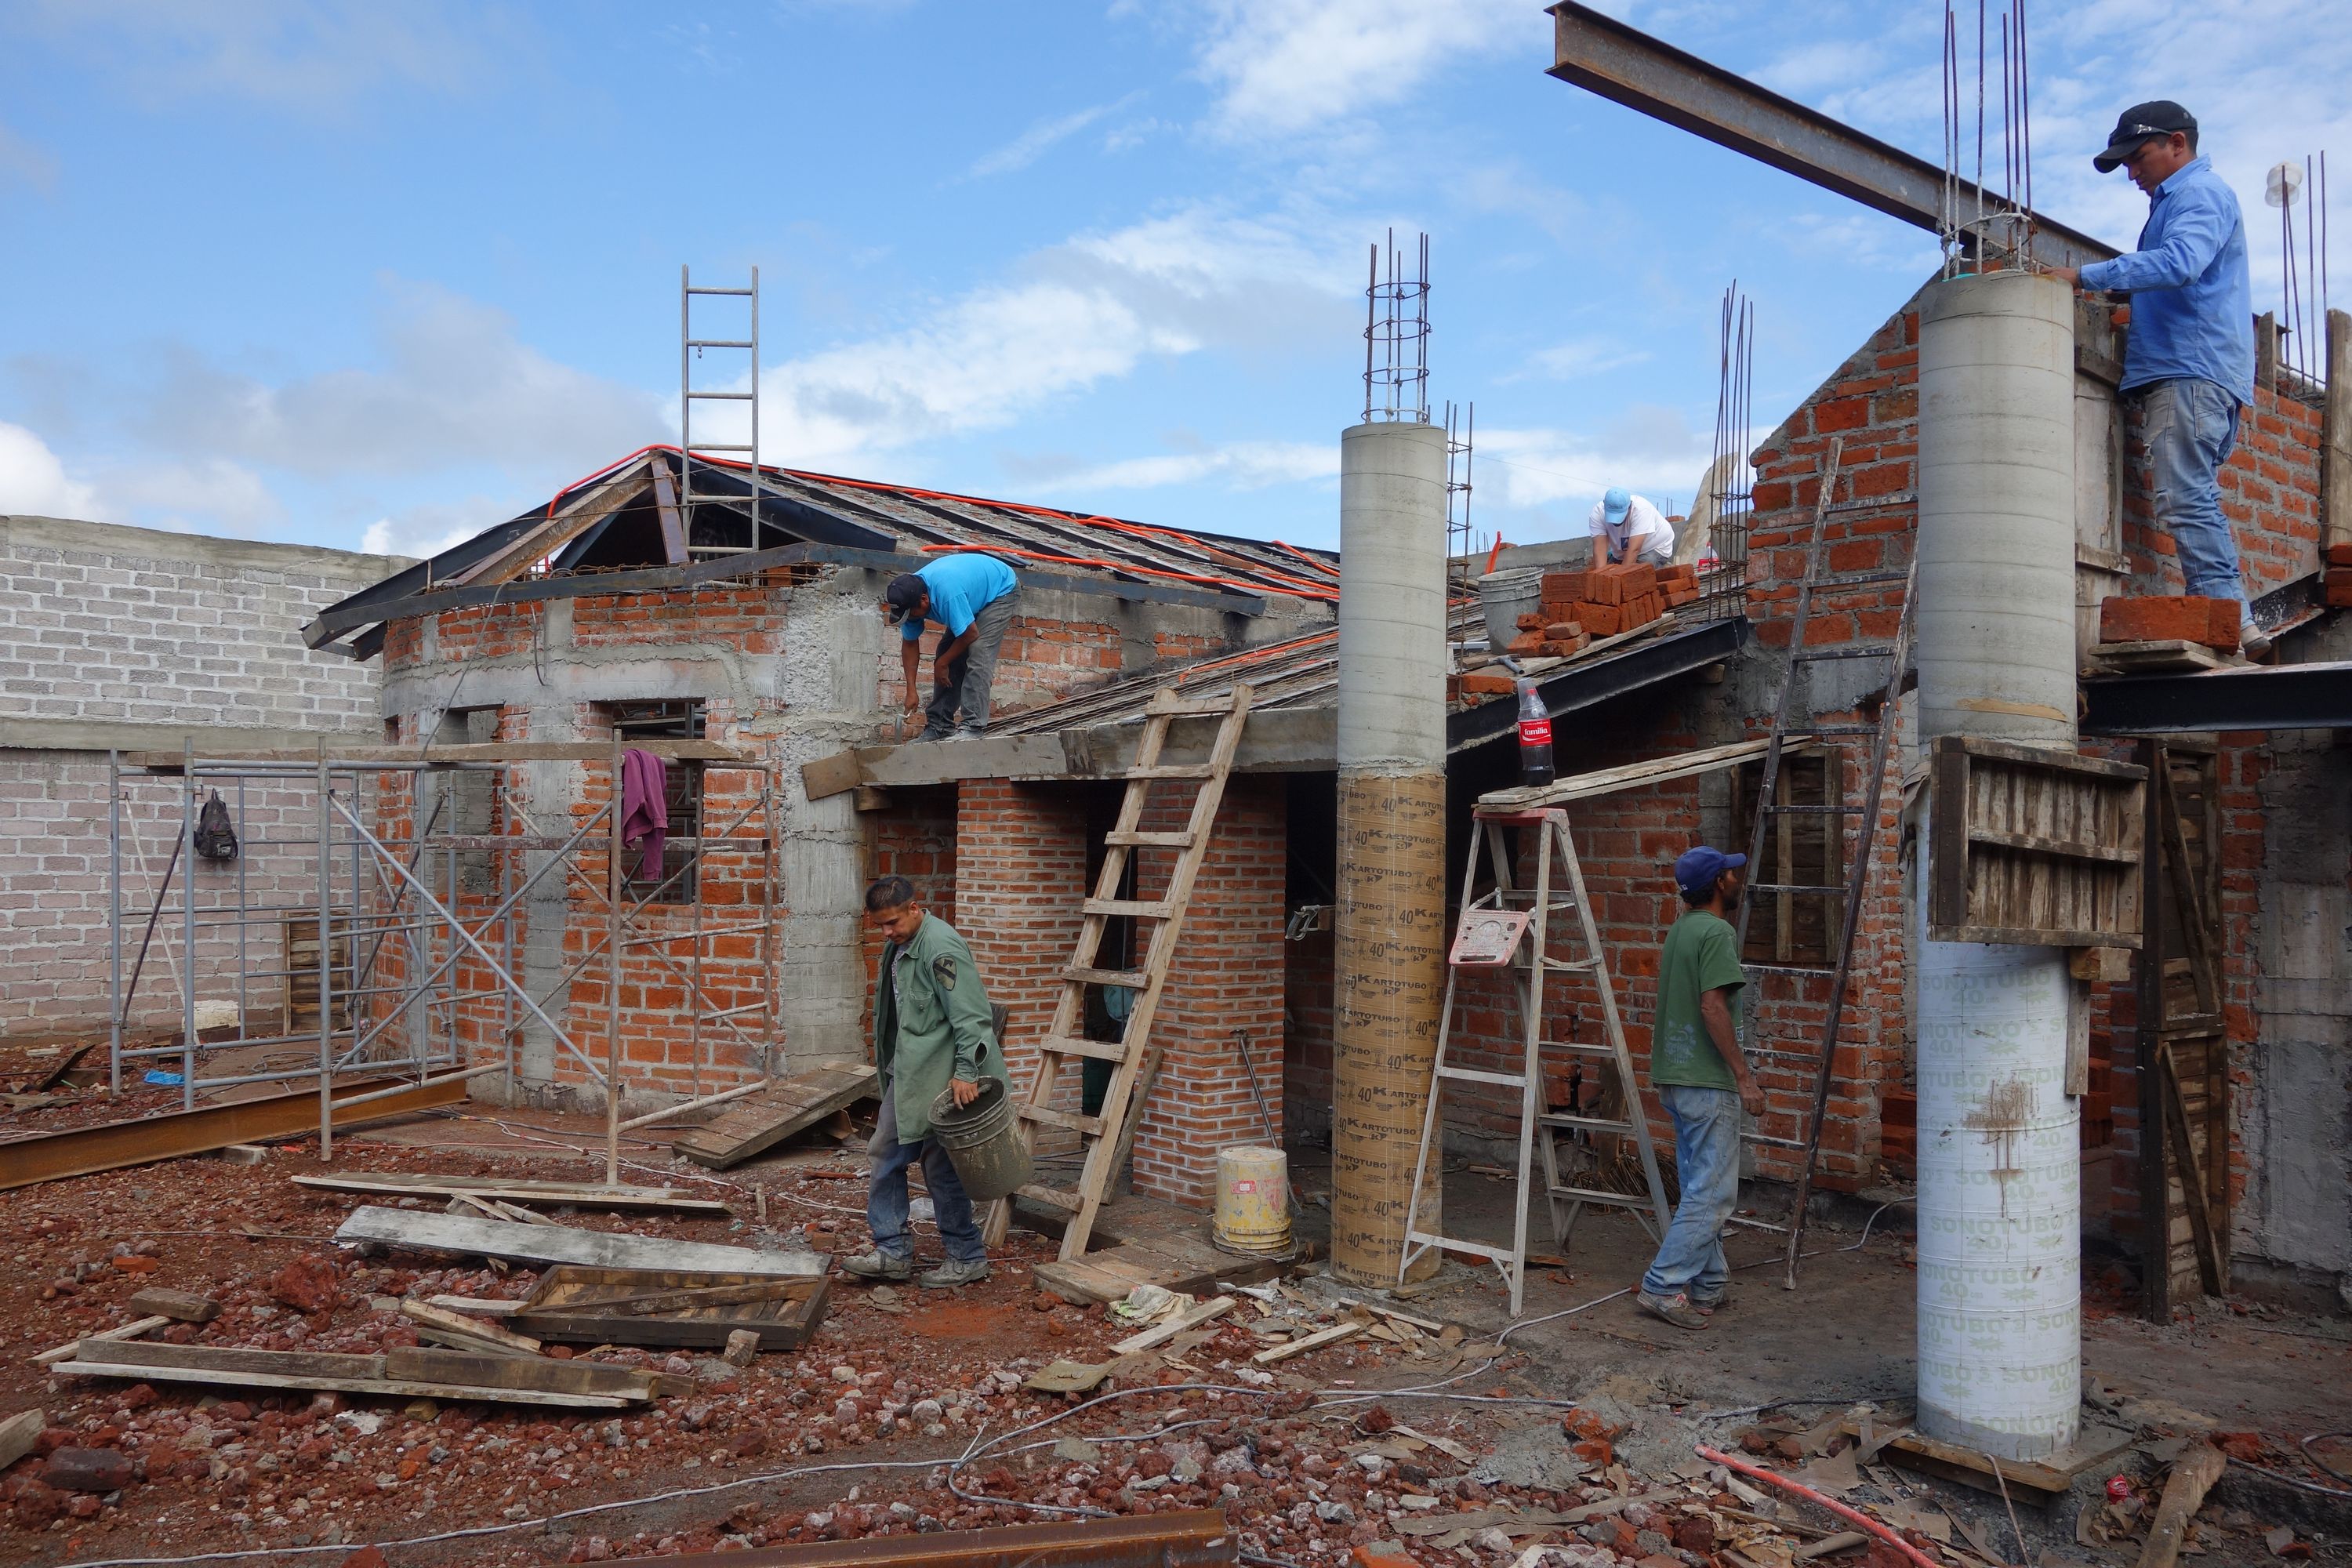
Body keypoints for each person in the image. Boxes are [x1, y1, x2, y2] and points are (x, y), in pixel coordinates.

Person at [2052, 101, 2267, 657]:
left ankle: (2231, 621)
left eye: (2138, 157)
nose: (2132, 172)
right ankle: (2234, 621)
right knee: (2194, 496)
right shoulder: (2184, 199)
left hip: (2189, 369)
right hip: (2201, 369)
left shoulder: (2199, 193)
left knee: (2186, 498)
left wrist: (2082, 276)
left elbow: (2180, 263)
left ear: (2177, 143)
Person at [843, 876, 1008, 1289]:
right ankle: (894, 1253)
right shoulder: (902, 943)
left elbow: (972, 1016)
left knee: (935, 1166)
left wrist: (967, 1072)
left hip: (943, 1079)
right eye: (880, 925)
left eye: (893, 922)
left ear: (915, 909)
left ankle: (964, 1256)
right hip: (911, 1073)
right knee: (890, 1155)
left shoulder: (940, 947)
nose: (887, 932)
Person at [1635, 846, 1767, 1332]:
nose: (1738, 878)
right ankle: (1663, 1285)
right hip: (1706, 1081)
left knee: (1699, 1187)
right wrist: (1743, 1077)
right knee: (1713, 1193)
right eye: (1732, 873)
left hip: (1675, 1077)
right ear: (1719, 883)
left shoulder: (1682, 929)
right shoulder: (1716, 932)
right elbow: (1712, 1007)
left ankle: (1707, 1284)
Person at [884, 553, 1022, 740]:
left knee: (979, 651)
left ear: (924, 600)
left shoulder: (947, 594)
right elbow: (909, 644)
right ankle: (940, 726)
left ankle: (973, 726)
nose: (910, 619)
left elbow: (970, 634)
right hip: (970, 592)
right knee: (947, 652)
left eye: (912, 614)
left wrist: (943, 663)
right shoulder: (909, 597)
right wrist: (911, 690)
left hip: (1001, 590)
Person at [1588, 487, 1675, 568]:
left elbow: (1634, 549)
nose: (1615, 522)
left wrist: (1622, 576)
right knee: (1609, 573)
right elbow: (1600, 548)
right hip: (1622, 553)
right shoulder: (1598, 513)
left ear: (1629, 507)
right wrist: (1600, 575)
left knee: (1640, 572)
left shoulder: (1642, 509)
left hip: (1654, 548)